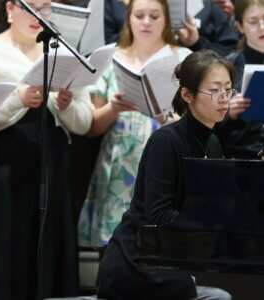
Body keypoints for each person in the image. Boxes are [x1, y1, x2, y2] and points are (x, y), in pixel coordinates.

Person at [0, 0, 94, 298]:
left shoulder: (64, 54)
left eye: (45, 8)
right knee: (4, 252)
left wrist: (66, 106)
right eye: (30, 6)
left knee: (47, 252)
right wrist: (17, 99)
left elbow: (84, 123)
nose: (38, 16)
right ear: (10, 8)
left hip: (52, 167)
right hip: (1, 170)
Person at [96, 49, 233, 300]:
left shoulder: (212, 143)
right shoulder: (166, 140)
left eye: (228, 89)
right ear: (187, 95)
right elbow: (158, 216)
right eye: (214, 90)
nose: (224, 98)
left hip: (172, 257)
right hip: (137, 261)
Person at [77, 0, 191, 249]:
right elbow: (92, 126)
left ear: (166, 20)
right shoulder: (110, 57)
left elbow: (193, 125)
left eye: (154, 16)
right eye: (139, 15)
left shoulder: (183, 59)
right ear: (129, 18)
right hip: (119, 163)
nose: (147, 22)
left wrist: (162, 116)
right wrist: (113, 107)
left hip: (165, 159)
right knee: (116, 247)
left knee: (161, 241)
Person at [215, 0, 264, 159]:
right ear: (240, 26)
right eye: (253, 22)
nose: (262, 27)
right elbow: (205, 127)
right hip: (237, 158)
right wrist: (229, 113)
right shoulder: (225, 69)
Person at [104, 0, 239, 56]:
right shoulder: (118, 4)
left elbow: (229, 52)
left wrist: (196, 44)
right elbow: (105, 45)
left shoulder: (206, 6)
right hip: (131, 64)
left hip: (192, 77)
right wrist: (140, 32)